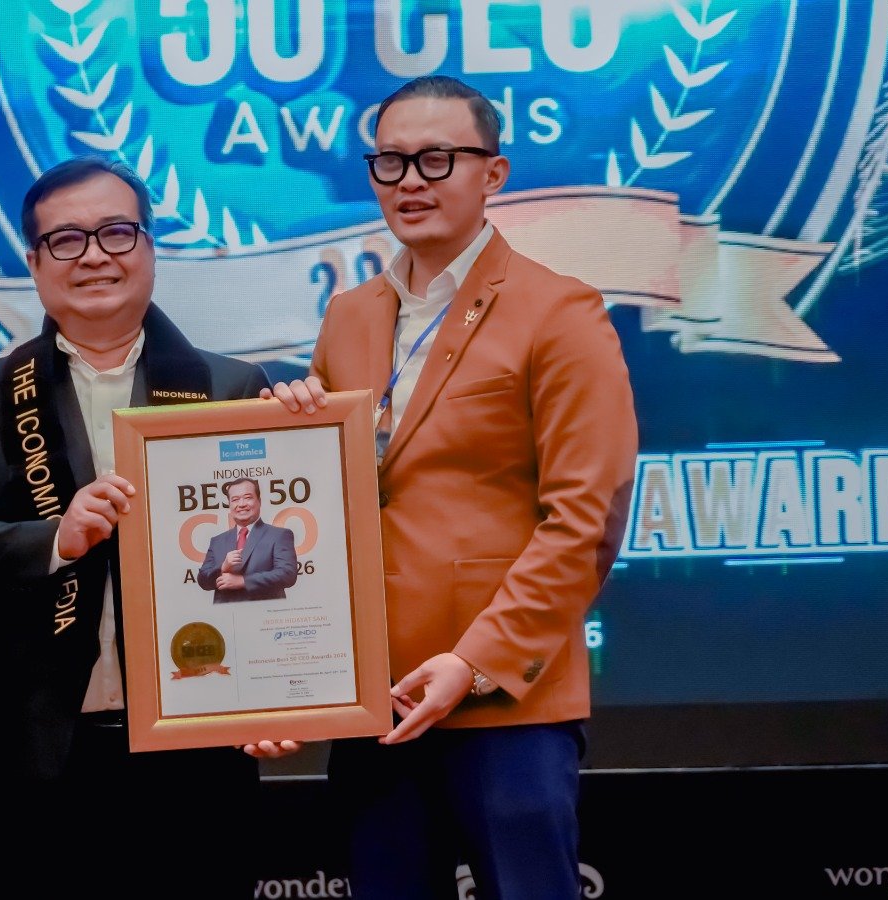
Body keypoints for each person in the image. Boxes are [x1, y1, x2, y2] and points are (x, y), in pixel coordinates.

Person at [252, 76, 639, 899]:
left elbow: (587, 520)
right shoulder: (350, 316)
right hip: (375, 702)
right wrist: (287, 681)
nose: (411, 181)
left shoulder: (560, 311)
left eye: (437, 159)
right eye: (390, 162)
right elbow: (323, 514)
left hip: (507, 702)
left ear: (493, 173)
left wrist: (476, 662)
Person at [0, 156, 269, 898]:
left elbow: (272, 568)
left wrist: (279, 694)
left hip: (199, 752)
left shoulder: (232, 389)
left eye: (116, 232)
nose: (95, 255)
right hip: (36, 762)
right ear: (34, 264)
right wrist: (54, 541)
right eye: (66, 240)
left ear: (150, 247)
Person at [197, 477, 299, 602]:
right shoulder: (217, 541)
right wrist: (223, 567)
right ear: (229, 505)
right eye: (235, 499)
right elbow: (203, 581)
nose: (241, 504)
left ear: (259, 501)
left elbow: (288, 575)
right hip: (226, 612)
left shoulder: (279, 535)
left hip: (266, 611)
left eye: (248, 497)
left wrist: (243, 581)